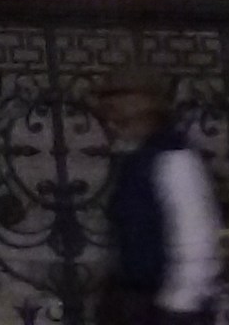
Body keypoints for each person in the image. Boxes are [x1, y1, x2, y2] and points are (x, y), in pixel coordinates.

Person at [94, 63, 220, 325]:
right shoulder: (138, 159)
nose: (112, 121)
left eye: (117, 110)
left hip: (168, 308)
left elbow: (195, 236)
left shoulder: (173, 156)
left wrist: (178, 306)